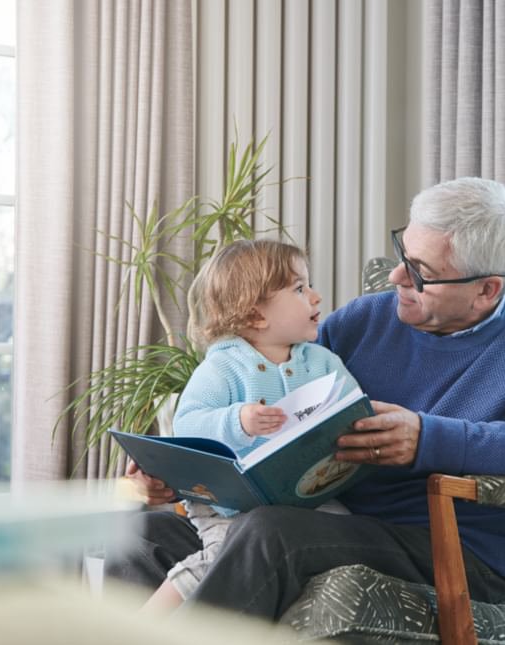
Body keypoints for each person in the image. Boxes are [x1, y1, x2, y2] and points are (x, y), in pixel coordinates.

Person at [105, 177, 505, 621]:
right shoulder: (365, 320)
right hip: (329, 516)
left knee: (270, 536)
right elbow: (277, 402)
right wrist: (179, 471)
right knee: (143, 534)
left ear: (486, 290)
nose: (395, 278)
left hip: (446, 550)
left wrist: (428, 438)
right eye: (401, 255)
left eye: (419, 272)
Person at [123, 239, 359, 613]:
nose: (315, 297)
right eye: (299, 289)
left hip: (308, 499)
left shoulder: (324, 362)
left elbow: (351, 409)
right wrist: (239, 421)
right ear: (255, 316)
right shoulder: (222, 368)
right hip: (225, 505)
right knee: (222, 555)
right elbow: (189, 427)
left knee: (347, 533)